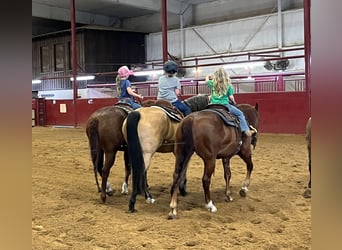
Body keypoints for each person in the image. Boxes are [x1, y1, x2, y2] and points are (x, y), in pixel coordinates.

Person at [206, 67, 256, 137]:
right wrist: (234, 102)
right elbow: (231, 97)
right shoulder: (228, 85)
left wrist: (209, 76)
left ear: (216, 75)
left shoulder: (212, 83)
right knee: (240, 114)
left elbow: (207, 80)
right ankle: (246, 131)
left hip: (212, 105)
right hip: (224, 105)